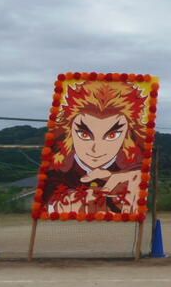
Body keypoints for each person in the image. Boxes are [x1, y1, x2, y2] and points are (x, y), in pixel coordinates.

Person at [43, 78, 148, 215]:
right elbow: (47, 196)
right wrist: (56, 205)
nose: (96, 149)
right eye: (84, 135)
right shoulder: (56, 167)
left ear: (128, 135)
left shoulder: (135, 166)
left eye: (112, 136)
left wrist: (137, 180)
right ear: (68, 130)